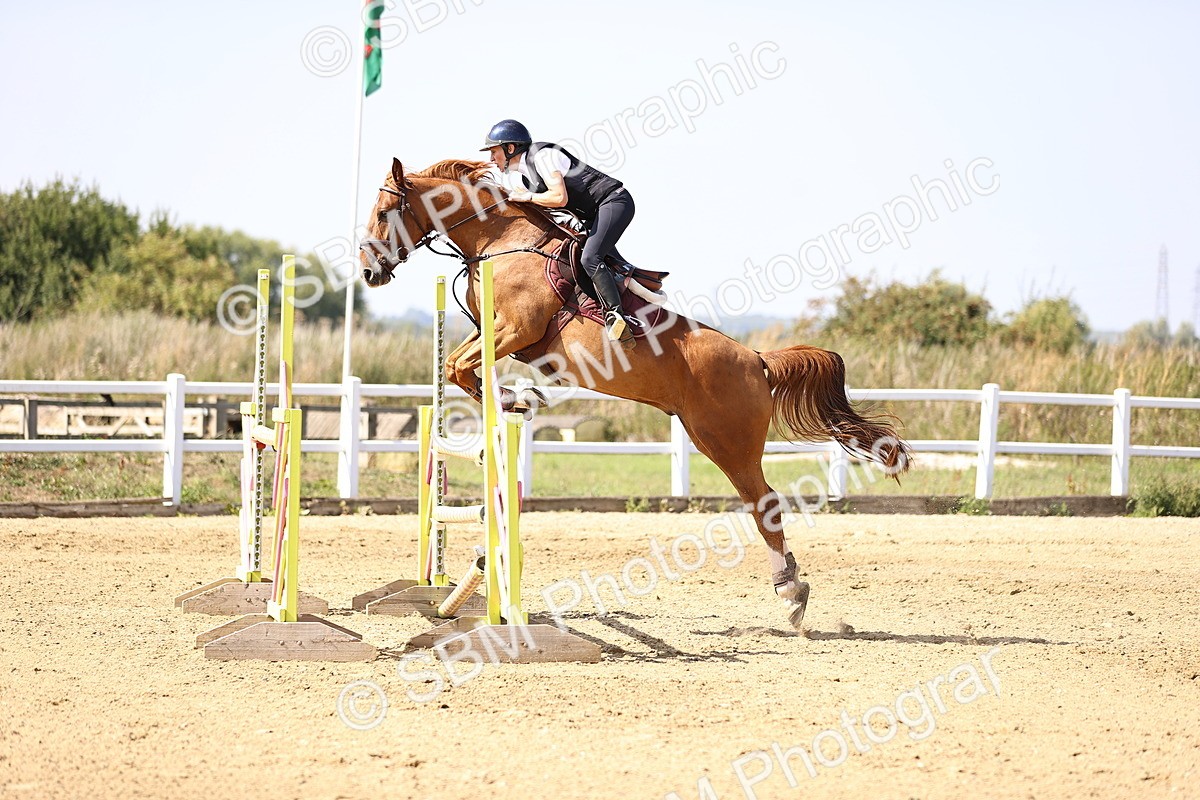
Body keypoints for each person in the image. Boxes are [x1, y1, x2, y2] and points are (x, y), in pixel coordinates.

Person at [480, 119, 637, 347]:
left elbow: (559, 198)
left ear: (510, 148)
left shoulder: (543, 156)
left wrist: (528, 198)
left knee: (590, 258)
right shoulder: (526, 178)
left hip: (613, 201)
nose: (491, 159)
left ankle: (616, 317)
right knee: (587, 258)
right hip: (592, 214)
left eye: (494, 152)